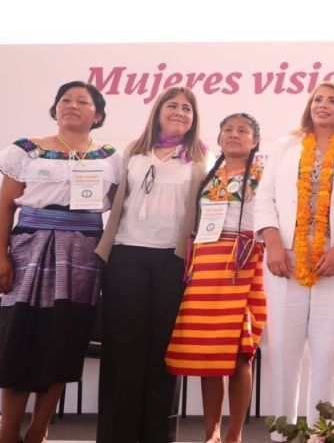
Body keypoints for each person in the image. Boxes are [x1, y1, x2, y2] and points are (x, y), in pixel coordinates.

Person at [0, 81, 120, 443]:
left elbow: (119, 211)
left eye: (82, 101)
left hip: (82, 257)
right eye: (65, 100)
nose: (72, 105)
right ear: (55, 108)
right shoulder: (26, 150)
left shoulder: (110, 157)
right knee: (19, 339)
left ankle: (39, 431)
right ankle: (9, 431)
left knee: (65, 340)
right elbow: (4, 210)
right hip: (29, 252)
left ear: (99, 114)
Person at [254, 81, 334, 432]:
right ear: (309, 105)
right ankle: (281, 434)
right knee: (283, 352)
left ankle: (323, 434)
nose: (323, 105)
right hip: (284, 261)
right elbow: (265, 199)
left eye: (332, 100)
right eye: (318, 99)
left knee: (326, 354)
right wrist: (274, 245)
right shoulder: (285, 146)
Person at [95, 86, 207, 442]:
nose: (179, 112)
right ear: (157, 111)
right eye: (172, 105)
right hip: (126, 255)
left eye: (186, 108)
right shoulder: (132, 152)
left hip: (172, 260)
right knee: (121, 347)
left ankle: (158, 436)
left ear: (194, 118)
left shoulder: (203, 159)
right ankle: (116, 434)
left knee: (163, 350)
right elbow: (106, 196)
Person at [165, 113, 267, 443]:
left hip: (243, 263)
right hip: (206, 266)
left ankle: (235, 434)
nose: (234, 135)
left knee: (239, 354)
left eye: (243, 130)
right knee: (208, 354)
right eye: (228, 130)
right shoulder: (208, 174)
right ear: (220, 138)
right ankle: (212, 433)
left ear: (255, 141)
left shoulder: (264, 175)